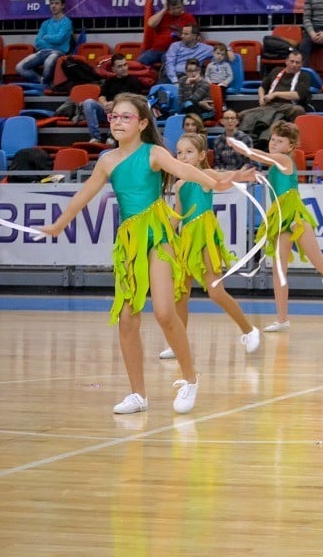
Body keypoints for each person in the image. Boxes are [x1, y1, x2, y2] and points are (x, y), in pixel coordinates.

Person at [41, 94, 235, 415]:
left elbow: (185, 171)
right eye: (114, 116)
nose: (117, 121)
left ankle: (190, 378)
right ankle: (138, 394)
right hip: (129, 239)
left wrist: (213, 181)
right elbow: (83, 196)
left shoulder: (153, 153)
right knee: (127, 318)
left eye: (125, 117)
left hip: (157, 233)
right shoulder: (106, 160)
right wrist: (59, 224)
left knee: (162, 311)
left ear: (143, 123)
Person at [228, 120, 323, 332]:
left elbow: (260, 156)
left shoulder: (283, 159)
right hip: (280, 215)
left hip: (294, 214)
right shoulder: (275, 164)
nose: (273, 143)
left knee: (318, 260)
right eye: (272, 139)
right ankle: (282, 319)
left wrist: (242, 148)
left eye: (279, 141)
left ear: (290, 146)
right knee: (279, 269)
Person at [158, 133, 259, 360]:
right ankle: (177, 344)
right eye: (180, 152)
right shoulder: (180, 184)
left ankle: (249, 330)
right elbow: (178, 217)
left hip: (204, 236)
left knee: (215, 291)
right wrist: (165, 237)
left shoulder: (205, 174)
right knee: (180, 296)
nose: (183, 156)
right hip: (187, 240)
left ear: (202, 155)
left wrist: (238, 176)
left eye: (189, 152)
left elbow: (221, 182)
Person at [238, 50, 311, 146]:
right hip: (269, 105)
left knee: (298, 109)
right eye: (292, 61)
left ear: (301, 64)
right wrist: (261, 98)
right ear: (286, 61)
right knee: (241, 115)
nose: (294, 65)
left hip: (288, 106)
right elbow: (262, 87)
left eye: (297, 63)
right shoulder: (276, 71)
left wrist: (275, 94)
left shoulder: (304, 76)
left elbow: (297, 95)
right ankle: (243, 140)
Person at [83, 53, 146, 143]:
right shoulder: (109, 81)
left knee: (122, 108)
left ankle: (112, 137)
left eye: (125, 65)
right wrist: (105, 104)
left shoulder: (134, 81)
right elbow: (101, 96)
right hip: (107, 112)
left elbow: (134, 101)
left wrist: (115, 105)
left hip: (123, 115)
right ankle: (95, 137)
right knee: (88, 102)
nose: (124, 68)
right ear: (113, 69)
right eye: (120, 66)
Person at [16, 0, 72, 86]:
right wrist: (50, 40)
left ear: (62, 6)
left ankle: (46, 84)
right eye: (51, 3)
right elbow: (38, 42)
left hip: (58, 52)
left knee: (49, 61)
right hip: (42, 52)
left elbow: (60, 39)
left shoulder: (67, 22)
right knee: (20, 67)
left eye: (57, 3)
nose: (53, 6)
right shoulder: (45, 23)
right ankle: (43, 83)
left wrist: (46, 37)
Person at [140, 0, 197, 67]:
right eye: (173, 8)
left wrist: (181, 36)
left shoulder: (188, 17)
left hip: (174, 52)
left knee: (167, 65)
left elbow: (194, 36)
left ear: (183, 5)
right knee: (139, 62)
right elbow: (151, 24)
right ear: (168, 6)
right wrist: (164, 9)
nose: (176, 10)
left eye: (178, 7)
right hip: (156, 49)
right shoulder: (163, 15)